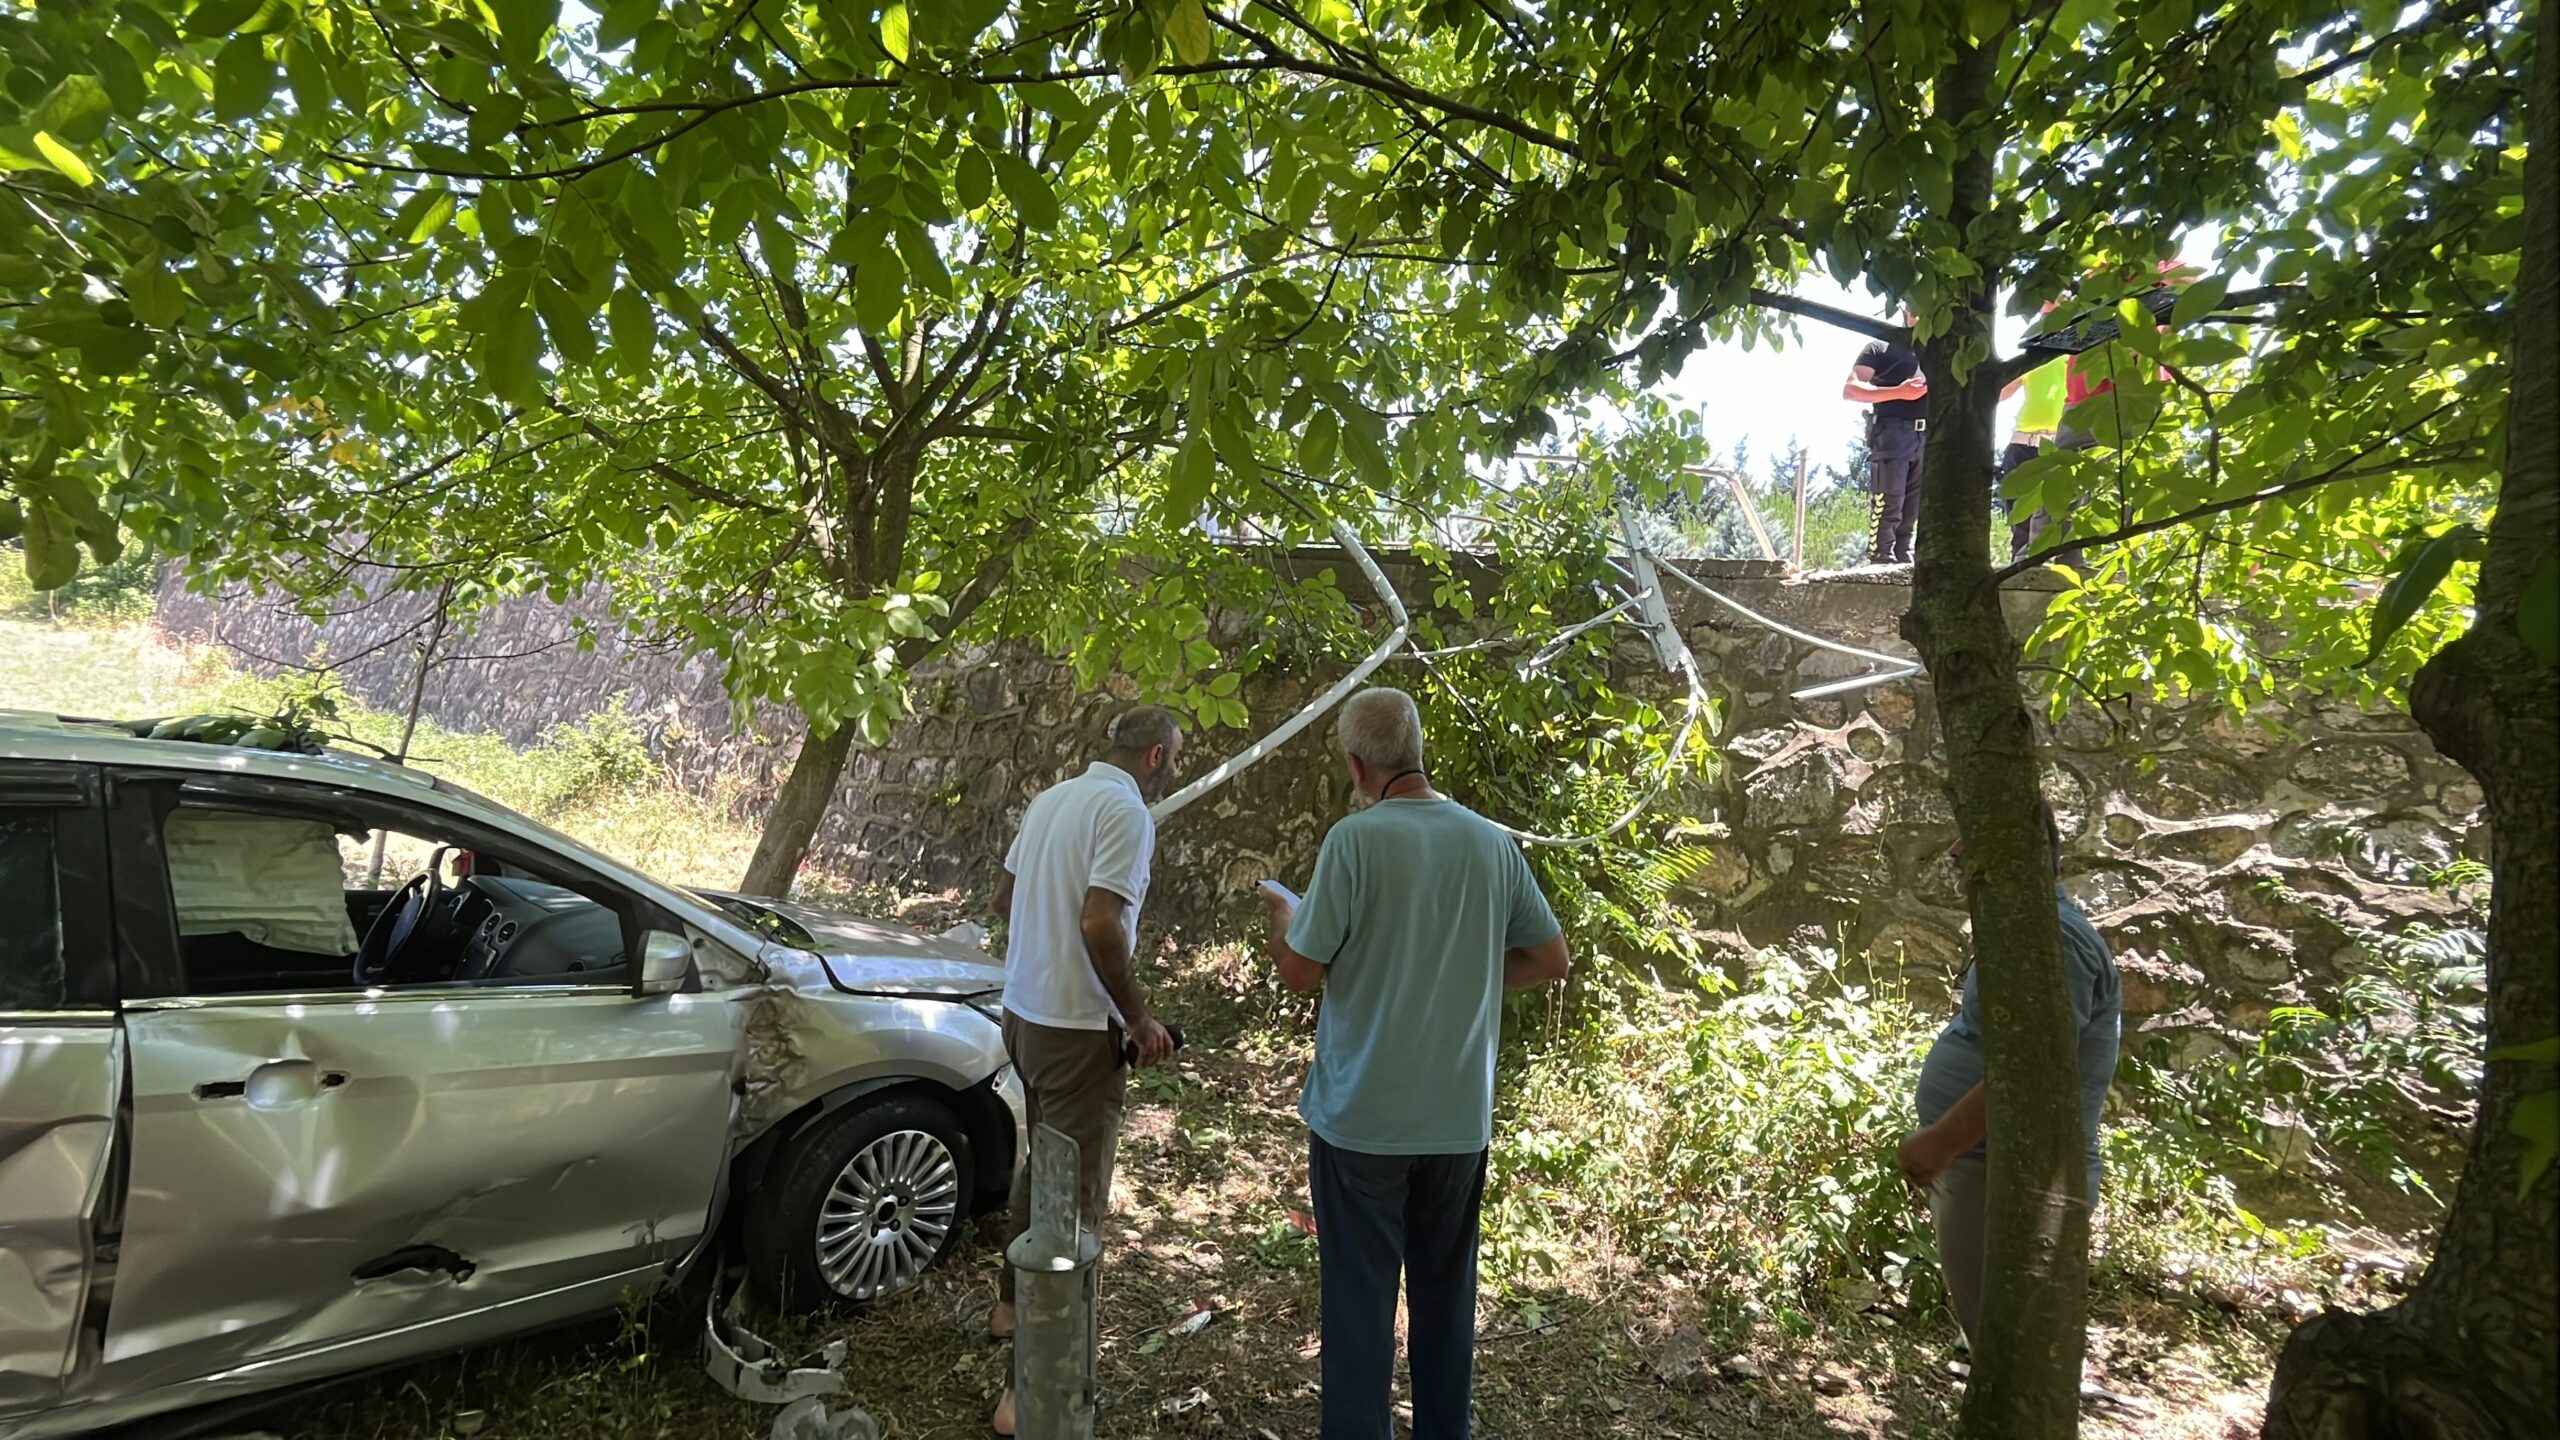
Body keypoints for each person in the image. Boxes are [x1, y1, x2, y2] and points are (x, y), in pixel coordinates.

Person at [1256, 688, 1572, 1440]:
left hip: (1362, 1119)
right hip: (1457, 1120)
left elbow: (1301, 972)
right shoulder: (1489, 842)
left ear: (1357, 765)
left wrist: (1284, 920)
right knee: (1445, 1300)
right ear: (1418, 751)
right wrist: (1467, 973)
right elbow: (1551, 959)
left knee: (1359, 1306)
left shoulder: (1355, 842)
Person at [987, 706, 1183, 1437]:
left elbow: (1004, 899)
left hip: (1023, 1015)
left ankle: (1008, 1307)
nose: (1176, 770)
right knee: (1071, 1216)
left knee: (1045, 1169)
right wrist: (1137, 1021)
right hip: (1075, 1033)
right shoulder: (1126, 812)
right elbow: (1101, 923)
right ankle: (1026, 1396)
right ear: (1156, 756)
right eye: (1178, 758)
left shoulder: (1052, 800)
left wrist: (1043, 959)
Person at [1895, 798, 2121, 1348]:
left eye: (1968, 843)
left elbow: (2033, 1074)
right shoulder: (2026, 929)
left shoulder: (2054, 940)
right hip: (1988, 1169)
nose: (1951, 852)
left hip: (2011, 1176)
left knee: (2011, 1348)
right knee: (1996, 1336)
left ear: (2018, 854)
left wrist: (1941, 1142)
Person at [1842, 307, 1930, 566]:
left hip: (1927, 435)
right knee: (1888, 501)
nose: (1919, 309)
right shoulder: (1880, 347)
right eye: (1913, 303)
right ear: (1904, 309)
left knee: (1913, 507)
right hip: (1892, 432)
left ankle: (1904, 558)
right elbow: (1851, 389)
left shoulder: (1938, 351)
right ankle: (1880, 558)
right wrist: (1898, 393)